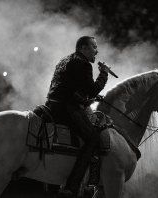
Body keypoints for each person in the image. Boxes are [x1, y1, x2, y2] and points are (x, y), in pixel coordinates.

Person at [46, 36, 109, 194]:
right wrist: (104, 74)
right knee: (93, 138)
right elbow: (93, 89)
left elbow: (68, 87)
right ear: (83, 48)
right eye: (94, 47)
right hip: (66, 108)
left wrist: (85, 99)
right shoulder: (84, 64)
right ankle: (72, 184)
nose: (97, 51)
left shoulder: (65, 60)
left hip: (52, 105)